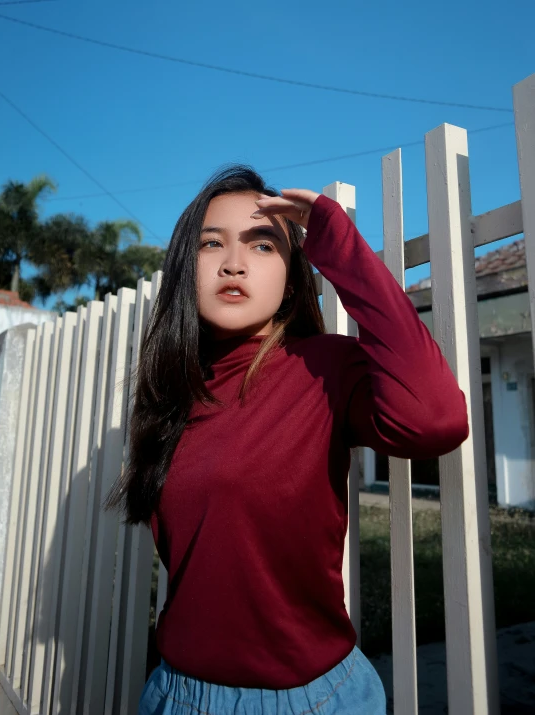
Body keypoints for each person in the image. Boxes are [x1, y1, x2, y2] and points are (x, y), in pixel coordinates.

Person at [106, 165, 469, 714]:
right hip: (172, 693)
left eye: (262, 245)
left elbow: (435, 419)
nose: (234, 262)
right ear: (186, 267)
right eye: (211, 244)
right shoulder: (174, 394)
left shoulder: (323, 368)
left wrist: (338, 245)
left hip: (309, 699)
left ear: (293, 277)